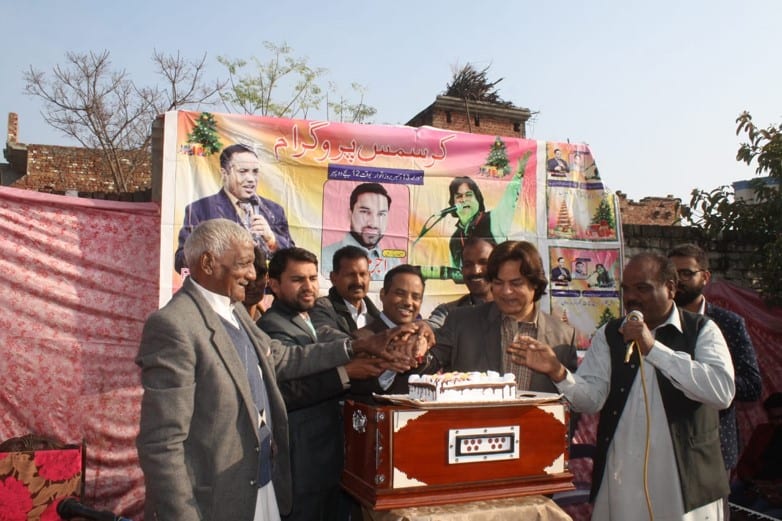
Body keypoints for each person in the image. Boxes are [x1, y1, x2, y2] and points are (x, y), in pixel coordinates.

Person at [136, 219, 418, 521]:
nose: (252, 275)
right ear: (207, 263)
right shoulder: (174, 325)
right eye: (244, 264)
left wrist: (355, 347)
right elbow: (162, 444)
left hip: (262, 486)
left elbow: (282, 357)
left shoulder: (234, 311)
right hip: (217, 499)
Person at [509, 252, 735, 519]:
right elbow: (591, 400)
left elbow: (722, 392)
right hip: (623, 480)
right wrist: (557, 371)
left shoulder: (702, 330)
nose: (631, 297)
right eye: (626, 289)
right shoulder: (611, 334)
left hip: (685, 480)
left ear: (670, 288)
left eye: (642, 288)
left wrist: (653, 349)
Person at [257, 247, 392, 521]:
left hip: (328, 457)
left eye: (312, 278)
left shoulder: (309, 318)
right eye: (297, 279)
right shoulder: (273, 326)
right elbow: (287, 393)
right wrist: (346, 374)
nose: (308, 287)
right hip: (302, 462)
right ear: (274, 285)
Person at [668, 242, 762, 516]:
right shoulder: (652, 326)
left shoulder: (727, 323)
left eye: (687, 273)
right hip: (665, 443)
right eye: (673, 274)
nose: (679, 281)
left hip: (714, 447)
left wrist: (704, 381)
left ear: (705, 277)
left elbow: (752, 385)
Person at [424, 240, 578, 394]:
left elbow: (574, 400)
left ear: (535, 283)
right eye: (498, 283)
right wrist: (414, 353)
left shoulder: (563, 337)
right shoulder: (462, 322)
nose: (506, 291)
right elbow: (424, 365)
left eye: (516, 283)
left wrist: (557, 371)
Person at [175, 143, 294, 273]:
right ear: (224, 173)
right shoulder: (200, 209)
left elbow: (295, 261)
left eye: (255, 172)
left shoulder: (274, 210)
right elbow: (181, 261)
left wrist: (272, 241)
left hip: (264, 285)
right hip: (223, 285)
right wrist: (220, 247)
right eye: (243, 172)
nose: (251, 179)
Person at [350, 264, 430, 396]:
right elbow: (358, 391)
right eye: (400, 294)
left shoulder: (426, 337)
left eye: (416, 297)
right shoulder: (362, 340)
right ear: (383, 294)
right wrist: (389, 369)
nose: (408, 302)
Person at [321, 182, 401, 280]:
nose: (373, 223)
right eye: (365, 212)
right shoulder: (325, 257)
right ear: (350, 214)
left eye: (381, 214)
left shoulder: (394, 262)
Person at [447, 171, 523, 269]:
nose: (464, 200)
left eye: (468, 195)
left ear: (477, 199)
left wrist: (519, 172)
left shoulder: (494, 219)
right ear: (453, 204)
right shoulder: (454, 240)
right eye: (459, 196)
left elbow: (509, 196)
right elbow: (456, 273)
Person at [427, 237, 495, 332]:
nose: (475, 271)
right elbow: (431, 327)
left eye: (483, 263)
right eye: (468, 264)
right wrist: (424, 327)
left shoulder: (511, 308)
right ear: (462, 270)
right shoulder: (448, 312)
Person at [310, 245, 382, 334]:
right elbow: (329, 337)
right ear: (333, 278)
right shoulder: (321, 308)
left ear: (369, 276)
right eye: (350, 275)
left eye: (363, 274)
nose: (358, 281)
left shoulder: (376, 316)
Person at [733, 392, 782, 517]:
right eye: (773, 418)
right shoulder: (762, 431)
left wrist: (772, 488)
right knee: (726, 498)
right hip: (755, 483)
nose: (777, 422)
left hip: (775, 491)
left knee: (754, 511)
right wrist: (753, 483)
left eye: (780, 417)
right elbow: (744, 463)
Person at [243, 245, 271, 321]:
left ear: (267, 278)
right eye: (246, 278)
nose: (251, 285)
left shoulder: (270, 318)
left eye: (258, 277)